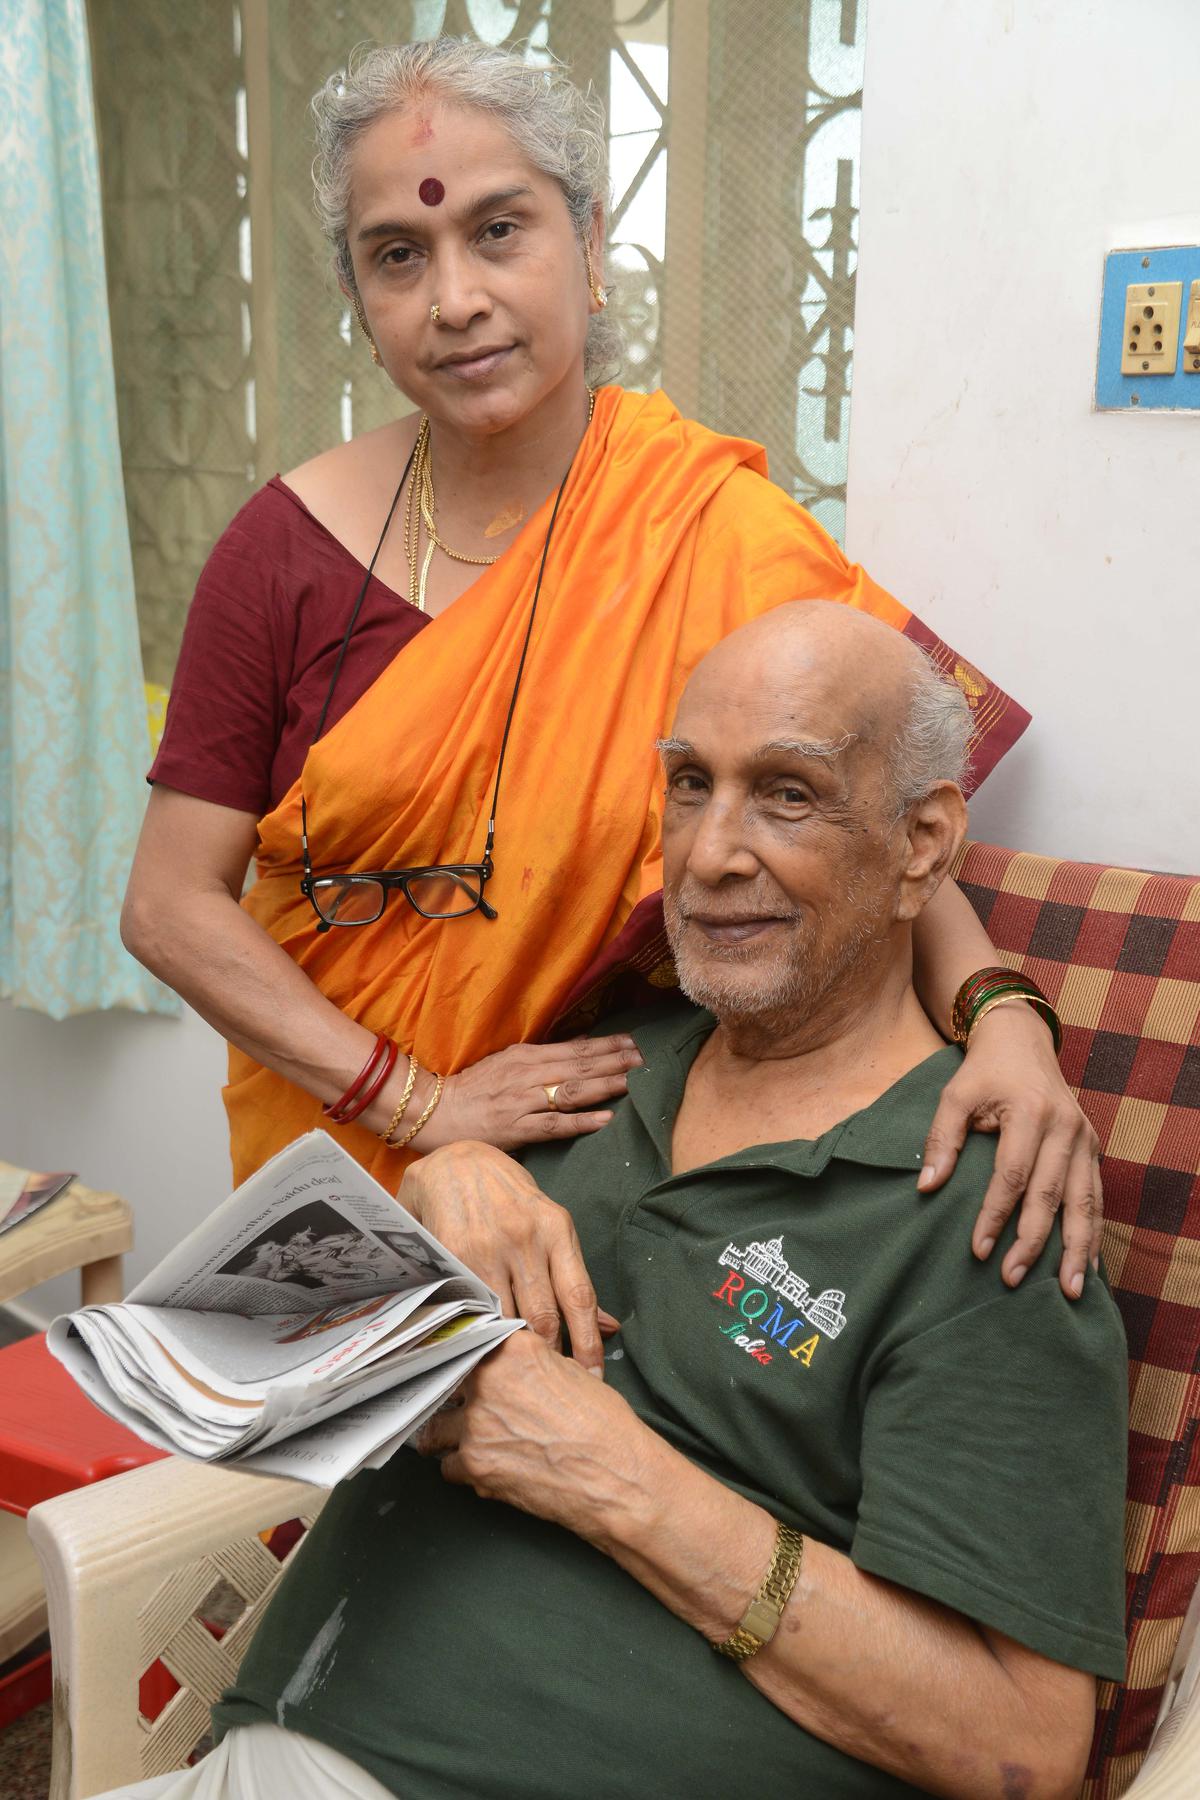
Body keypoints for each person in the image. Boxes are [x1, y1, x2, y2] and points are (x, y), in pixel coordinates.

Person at [121, 37, 1100, 1308]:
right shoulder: (284, 550)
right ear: (358, 297)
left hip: (605, 1174)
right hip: (338, 1165)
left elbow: (881, 831)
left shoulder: (704, 529)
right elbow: (169, 906)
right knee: (327, 1486)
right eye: (399, 256)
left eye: (500, 231)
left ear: (587, 247)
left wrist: (1007, 1019)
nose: (455, 298)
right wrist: (419, 1102)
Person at [104, 603, 1125, 1800]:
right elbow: (223, 1362)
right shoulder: (601, 1056)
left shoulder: (980, 1200)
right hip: (252, 1760)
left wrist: (613, 1476)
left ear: (923, 846)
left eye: (786, 795)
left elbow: (1026, 1751)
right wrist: (427, 1187)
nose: (707, 855)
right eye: (689, 785)